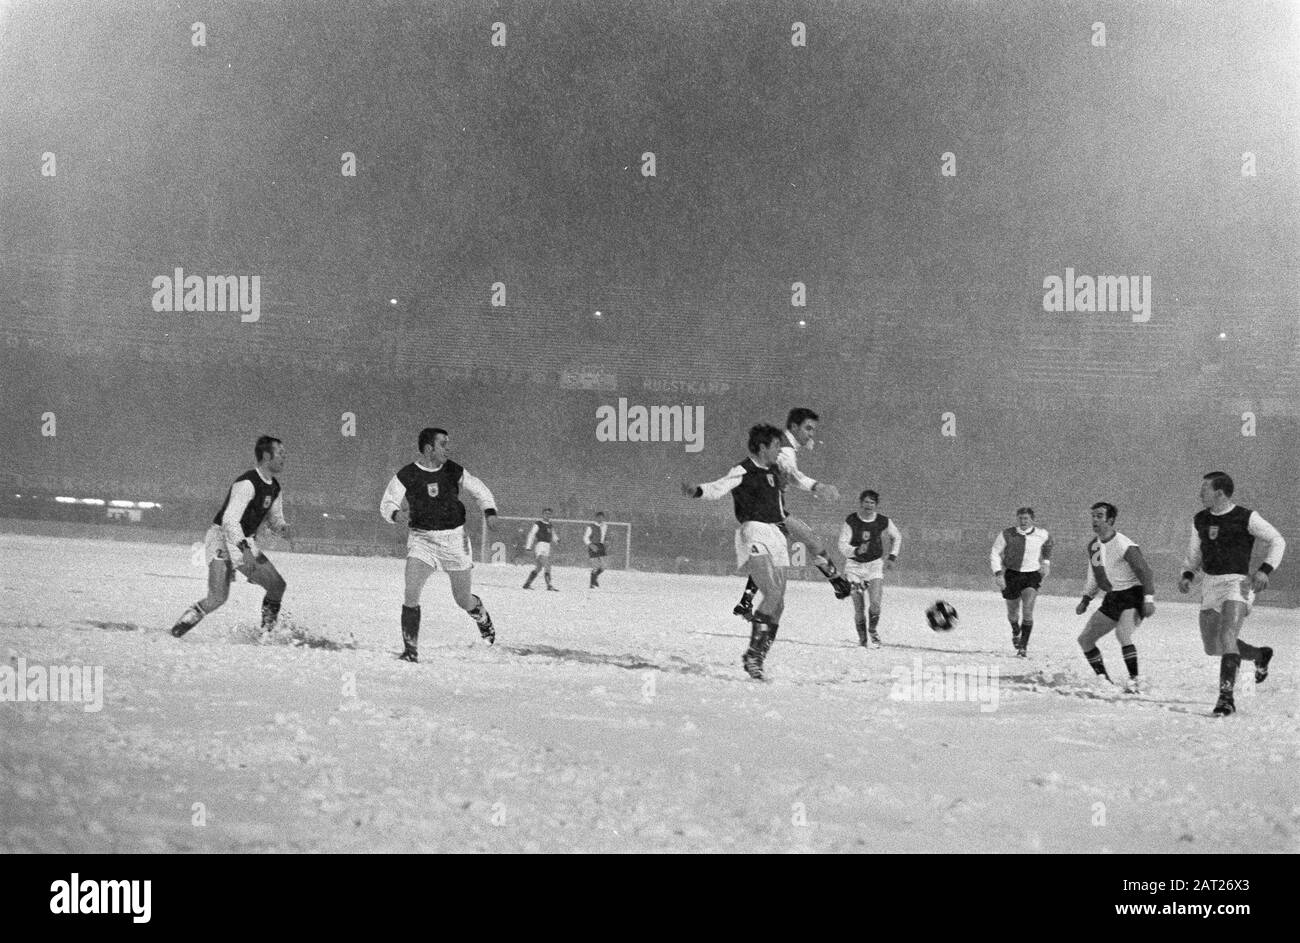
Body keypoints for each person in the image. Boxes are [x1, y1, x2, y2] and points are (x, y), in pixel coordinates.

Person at [379, 427, 499, 663]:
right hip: (422, 540)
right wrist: (395, 514)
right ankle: (410, 651)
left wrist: (490, 511)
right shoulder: (408, 474)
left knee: (462, 599)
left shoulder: (453, 470)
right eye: (443, 444)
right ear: (428, 448)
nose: (447, 448)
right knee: (410, 592)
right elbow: (387, 502)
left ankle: (482, 616)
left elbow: (479, 489)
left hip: (454, 540)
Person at [683, 423, 789, 680]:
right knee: (772, 592)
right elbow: (718, 487)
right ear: (763, 447)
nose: (779, 451)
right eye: (776, 446)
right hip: (754, 530)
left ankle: (758, 657)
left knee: (778, 604)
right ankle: (753, 655)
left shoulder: (775, 470)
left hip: (777, 534)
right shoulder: (744, 469)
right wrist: (697, 490)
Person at [1178, 471, 1285, 716]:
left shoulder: (1245, 517)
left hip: (1237, 583)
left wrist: (1264, 570)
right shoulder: (1200, 519)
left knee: (1227, 635)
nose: (1200, 492)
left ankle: (1226, 698)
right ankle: (1260, 654)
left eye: (1205, 487)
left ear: (1220, 492)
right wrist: (1187, 574)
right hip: (1210, 584)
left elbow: (1277, 541)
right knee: (1213, 647)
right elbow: (1195, 554)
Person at [733, 407, 850, 618]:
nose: (811, 434)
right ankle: (838, 582)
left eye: (813, 430)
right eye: (808, 429)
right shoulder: (785, 450)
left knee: (775, 554)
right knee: (811, 541)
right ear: (794, 427)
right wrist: (818, 487)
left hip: (767, 509)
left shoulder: (785, 445)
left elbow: (783, 473)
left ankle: (746, 601)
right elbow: (794, 476)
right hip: (769, 512)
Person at [171, 436, 292, 638]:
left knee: (277, 586)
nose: (284, 457)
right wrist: (245, 552)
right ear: (266, 455)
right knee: (217, 597)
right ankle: (179, 629)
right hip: (221, 537)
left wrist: (282, 528)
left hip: (244, 540)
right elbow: (229, 522)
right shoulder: (247, 483)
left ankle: (267, 633)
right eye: (280, 453)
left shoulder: (275, 488)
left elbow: (274, 520)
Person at [1074, 502, 1154, 693]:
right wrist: (1086, 599)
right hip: (1113, 597)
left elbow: (1145, 572)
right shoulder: (1094, 546)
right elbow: (1095, 574)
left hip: (1134, 595)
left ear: (1110, 520)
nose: (1094, 520)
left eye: (1099, 516)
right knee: (1085, 640)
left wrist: (1148, 599)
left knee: (1122, 634)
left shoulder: (1124, 544)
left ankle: (1135, 682)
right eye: (1093, 515)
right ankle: (1105, 681)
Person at [837, 489, 901, 647]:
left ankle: (872, 630)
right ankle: (863, 639)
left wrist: (892, 556)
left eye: (872, 502)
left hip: (874, 566)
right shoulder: (852, 520)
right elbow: (842, 544)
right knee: (859, 607)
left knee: (875, 603)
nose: (868, 505)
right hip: (854, 567)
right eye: (866, 502)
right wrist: (856, 551)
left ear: (876, 505)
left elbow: (897, 536)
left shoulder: (882, 521)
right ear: (861, 503)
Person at [990, 507, 1054, 656]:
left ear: (1032, 520)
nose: (1023, 521)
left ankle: (1023, 647)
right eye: (1020, 518)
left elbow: (1049, 544)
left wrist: (1046, 562)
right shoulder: (1007, 534)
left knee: (1028, 611)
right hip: (1011, 575)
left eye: (1026, 519)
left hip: (1031, 576)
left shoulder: (1042, 534)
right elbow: (994, 553)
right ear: (1016, 519)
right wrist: (998, 574)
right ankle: (1015, 629)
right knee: (1013, 613)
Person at [523, 508, 559, 591]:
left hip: (547, 547)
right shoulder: (538, 523)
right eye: (546, 513)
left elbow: (553, 534)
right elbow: (532, 534)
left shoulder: (550, 524)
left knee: (538, 568)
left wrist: (557, 540)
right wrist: (528, 546)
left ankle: (527, 584)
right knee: (547, 565)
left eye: (549, 514)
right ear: (542, 514)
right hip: (540, 546)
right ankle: (549, 585)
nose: (547, 515)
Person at [584, 511, 609, 588]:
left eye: (602, 517)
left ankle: (595, 578)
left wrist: (606, 541)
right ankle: (592, 584)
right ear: (596, 518)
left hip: (601, 546)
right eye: (599, 517)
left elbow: (605, 536)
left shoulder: (605, 526)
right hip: (593, 546)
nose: (600, 519)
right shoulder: (590, 527)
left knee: (604, 566)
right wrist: (591, 545)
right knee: (596, 566)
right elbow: (585, 538)